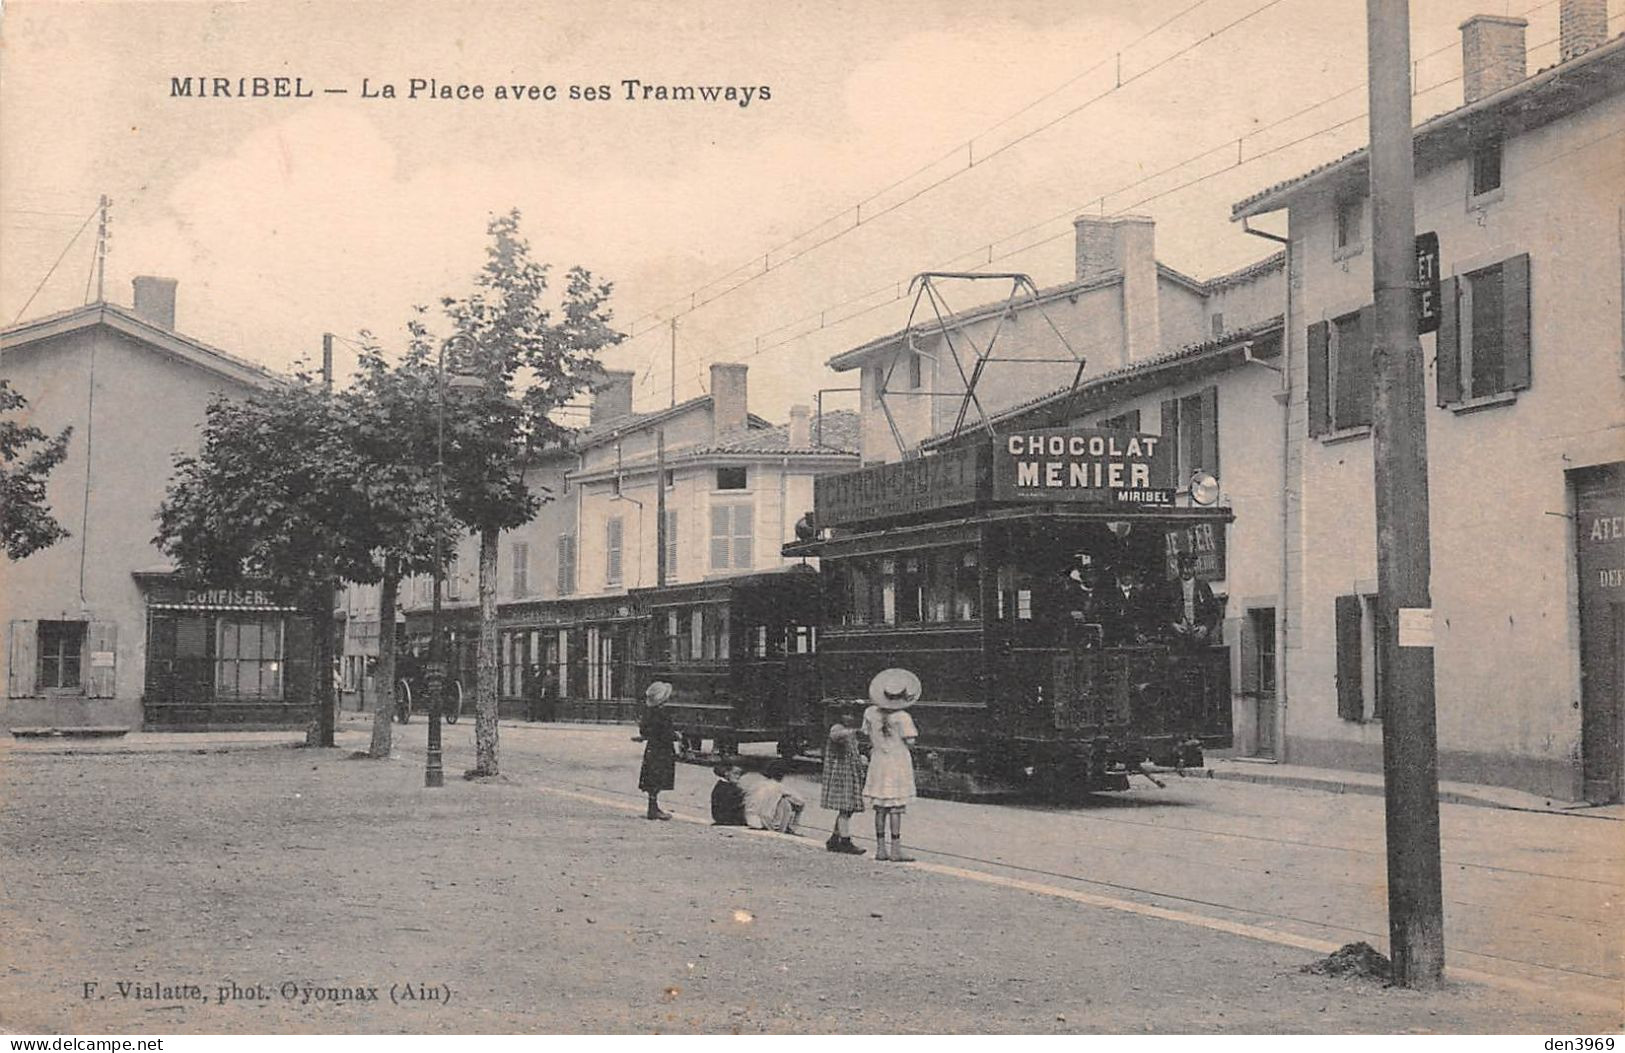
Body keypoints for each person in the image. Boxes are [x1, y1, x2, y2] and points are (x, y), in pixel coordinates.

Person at [862, 667, 921, 862]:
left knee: (880, 807)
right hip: (897, 763)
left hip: (878, 762)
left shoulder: (870, 713)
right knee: (896, 807)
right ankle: (896, 849)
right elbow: (911, 741)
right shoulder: (902, 717)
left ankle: (880, 849)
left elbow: (866, 734)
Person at [820, 708, 867, 855]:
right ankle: (845, 841)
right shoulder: (838, 728)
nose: (850, 716)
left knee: (847, 808)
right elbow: (835, 735)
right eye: (846, 713)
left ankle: (835, 838)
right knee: (846, 808)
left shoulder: (846, 730)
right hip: (842, 773)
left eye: (852, 713)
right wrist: (854, 731)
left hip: (848, 772)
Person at [636, 681, 681, 820]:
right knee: (658, 778)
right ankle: (653, 809)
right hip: (663, 749)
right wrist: (677, 736)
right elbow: (666, 732)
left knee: (652, 778)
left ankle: (653, 807)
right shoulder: (663, 714)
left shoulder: (648, 712)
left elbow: (645, 730)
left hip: (652, 748)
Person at [737, 761, 806, 834]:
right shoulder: (779, 787)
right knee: (785, 801)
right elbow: (801, 802)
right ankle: (790, 828)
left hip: (749, 818)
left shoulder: (756, 785)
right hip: (766, 821)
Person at [1167, 552, 1221, 645]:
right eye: (1182, 568)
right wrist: (1173, 625)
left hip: (1200, 638)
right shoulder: (1171, 587)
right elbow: (1163, 612)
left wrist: (1205, 627)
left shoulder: (1203, 586)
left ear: (1194, 568)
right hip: (1177, 639)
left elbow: (1214, 612)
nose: (1185, 571)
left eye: (1188, 568)